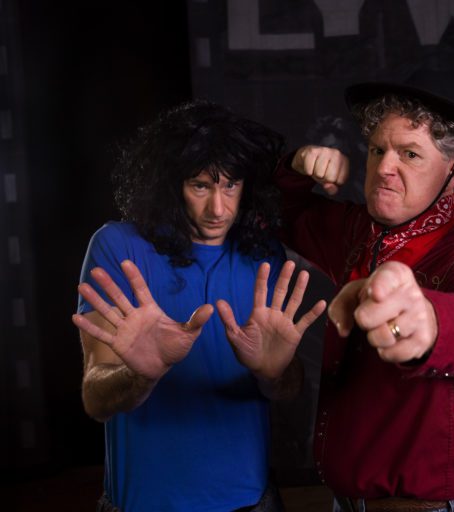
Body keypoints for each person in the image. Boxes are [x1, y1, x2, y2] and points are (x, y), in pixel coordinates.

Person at [275, 82, 454, 511]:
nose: (385, 167)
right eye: (377, 150)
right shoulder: (357, 232)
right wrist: (297, 167)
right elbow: (282, 212)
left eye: (410, 154)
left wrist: (430, 323)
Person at [71, 100, 326, 512]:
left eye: (231, 185)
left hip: (252, 503)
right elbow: (95, 400)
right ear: (171, 184)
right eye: (201, 186)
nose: (218, 209)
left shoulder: (263, 256)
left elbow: (287, 389)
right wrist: (140, 376)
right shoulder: (117, 246)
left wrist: (275, 373)